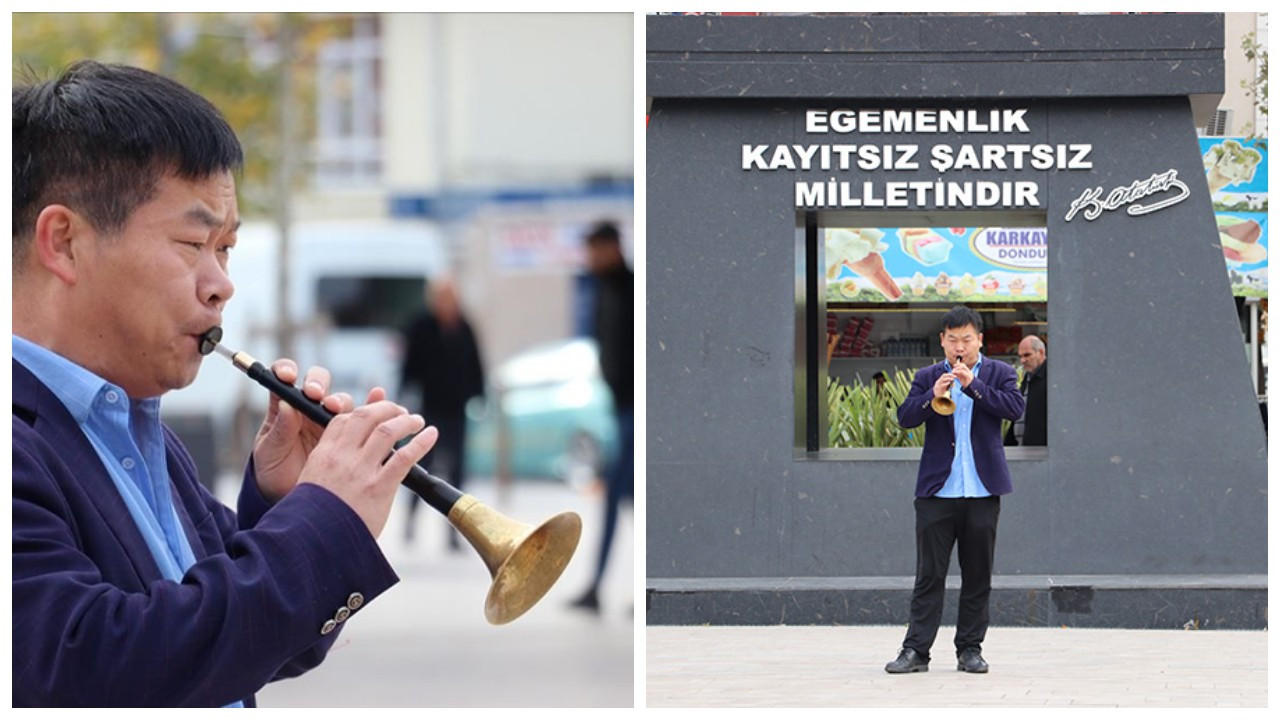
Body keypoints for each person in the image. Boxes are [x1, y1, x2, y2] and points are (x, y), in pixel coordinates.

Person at [12, 60, 438, 707]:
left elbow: (229, 644)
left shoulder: (135, 426)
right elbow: (92, 663)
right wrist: (323, 522)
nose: (221, 284)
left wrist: (283, 499)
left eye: (228, 249)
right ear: (64, 242)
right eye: (194, 243)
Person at [885, 306, 1024, 675]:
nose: (959, 346)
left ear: (980, 339)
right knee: (929, 575)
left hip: (982, 490)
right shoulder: (927, 375)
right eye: (952, 340)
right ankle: (916, 651)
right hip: (937, 493)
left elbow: (1015, 408)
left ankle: (970, 650)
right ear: (943, 341)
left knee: (977, 575)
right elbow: (905, 417)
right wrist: (933, 394)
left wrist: (973, 386)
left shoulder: (1001, 373)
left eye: (966, 339)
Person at [569, 221, 634, 614]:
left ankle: (606, 586)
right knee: (620, 494)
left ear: (612, 248)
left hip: (635, 411)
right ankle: (602, 586)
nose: (589, 259)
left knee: (620, 494)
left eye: (594, 250)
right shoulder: (602, 291)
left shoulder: (629, 289)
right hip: (621, 408)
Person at [398, 277, 485, 547]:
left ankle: (455, 531)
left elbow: (476, 363)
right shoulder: (421, 326)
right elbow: (409, 365)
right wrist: (404, 395)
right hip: (430, 408)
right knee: (422, 468)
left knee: (458, 472)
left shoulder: (464, 326)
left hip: (456, 408)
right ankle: (411, 519)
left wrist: (478, 394)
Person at [1004, 335, 1048, 447]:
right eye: (1020, 356)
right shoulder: (1027, 378)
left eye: (1027, 355)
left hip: (1039, 450)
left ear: (1041, 353)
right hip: (1024, 447)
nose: (1023, 360)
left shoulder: (1049, 379)